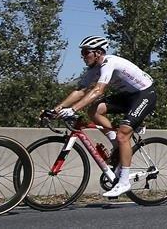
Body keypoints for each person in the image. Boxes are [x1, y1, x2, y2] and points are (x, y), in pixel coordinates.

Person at [51, 36, 157, 198]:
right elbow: (80, 91)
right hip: (127, 96)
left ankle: (124, 182)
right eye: (82, 53)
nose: (83, 56)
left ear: (98, 53)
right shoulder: (93, 70)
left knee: (123, 134)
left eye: (86, 52)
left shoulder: (109, 62)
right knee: (94, 110)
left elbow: (98, 91)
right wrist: (56, 109)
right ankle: (116, 143)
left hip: (145, 94)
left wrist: (73, 109)